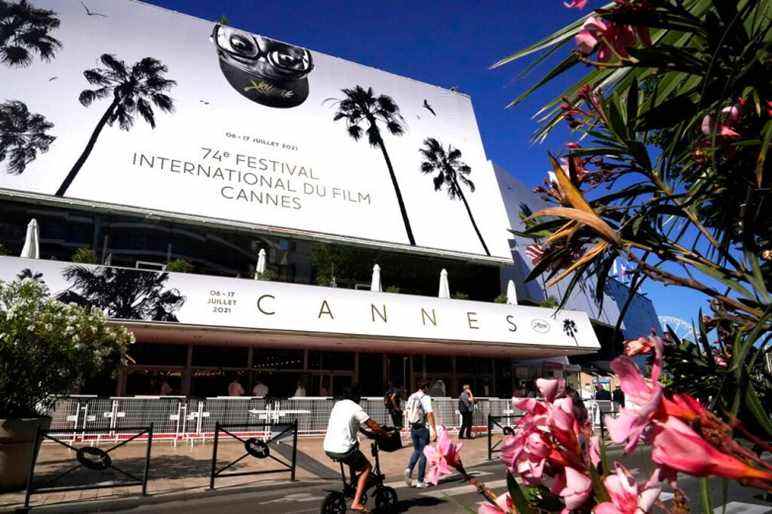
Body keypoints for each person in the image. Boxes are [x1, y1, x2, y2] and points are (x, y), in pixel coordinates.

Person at [323, 385, 384, 513]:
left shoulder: (338, 405)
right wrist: (385, 433)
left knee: (355, 447)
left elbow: (353, 423)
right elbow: (372, 424)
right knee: (366, 467)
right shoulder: (356, 407)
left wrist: (366, 433)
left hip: (329, 447)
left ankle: (353, 482)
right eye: (359, 396)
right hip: (344, 449)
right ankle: (356, 503)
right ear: (356, 396)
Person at [404, 380, 437, 489]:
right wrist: (433, 429)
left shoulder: (412, 396)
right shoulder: (425, 397)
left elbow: (407, 411)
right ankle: (420, 481)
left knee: (417, 450)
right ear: (426, 388)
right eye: (428, 387)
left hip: (414, 427)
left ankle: (409, 469)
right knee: (424, 454)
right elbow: (429, 413)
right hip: (423, 428)